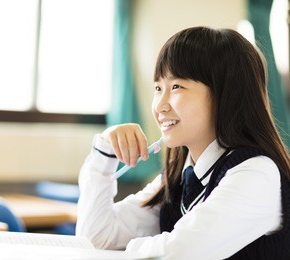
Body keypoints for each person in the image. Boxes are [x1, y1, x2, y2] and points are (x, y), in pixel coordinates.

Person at [75, 26, 290, 259]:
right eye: (158, 88)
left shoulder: (256, 173)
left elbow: (181, 253)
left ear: (226, 94)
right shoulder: (179, 177)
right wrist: (104, 152)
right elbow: (95, 238)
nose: (159, 106)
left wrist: (135, 248)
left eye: (176, 86)